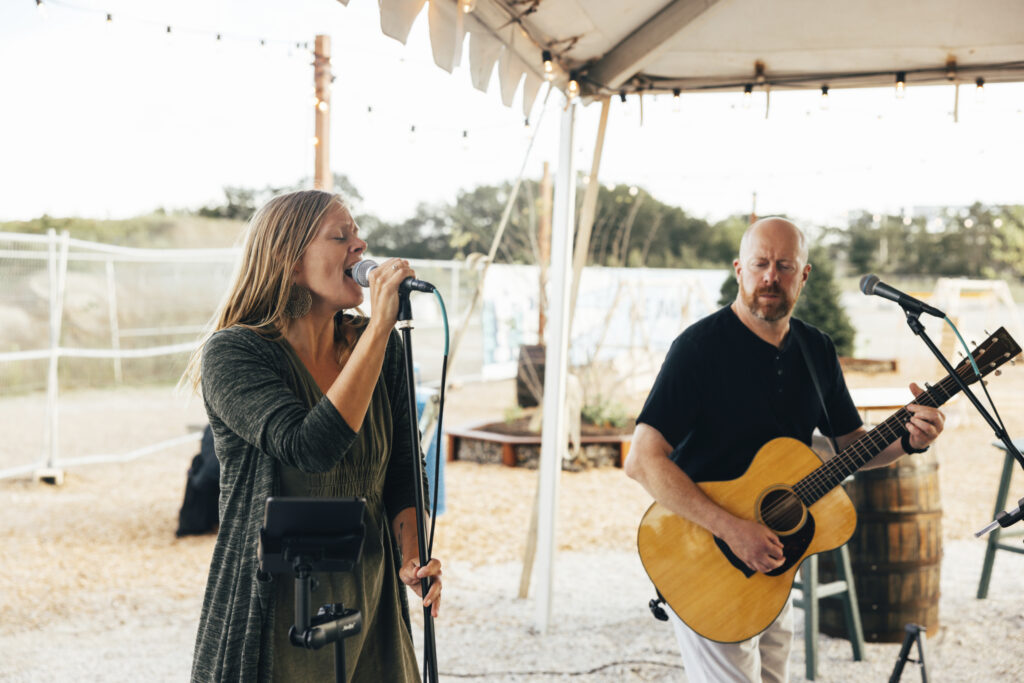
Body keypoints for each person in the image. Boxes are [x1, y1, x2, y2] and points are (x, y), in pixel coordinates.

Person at [624, 217, 945, 683]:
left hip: (774, 559)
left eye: (784, 266)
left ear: (804, 274)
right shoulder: (698, 349)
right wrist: (733, 530)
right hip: (703, 552)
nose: (770, 277)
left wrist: (908, 441)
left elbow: (850, 446)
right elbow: (642, 460)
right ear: (739, 270)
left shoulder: (816, 349)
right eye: (760, 264)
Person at [182, 189, 442, 682]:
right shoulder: (235, 354)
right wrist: (381, 328)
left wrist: (412, 556)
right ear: (290, 262)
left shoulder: (380, 351)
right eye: (340, 236)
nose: (360, 246)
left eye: (359, 234)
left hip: (372, 595)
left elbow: (405, 468)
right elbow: (309, 448)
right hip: (278, 605)